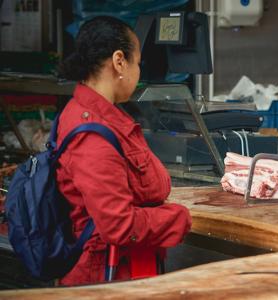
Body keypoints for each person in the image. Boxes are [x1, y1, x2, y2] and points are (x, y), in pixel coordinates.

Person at [56, 16, 191, 285]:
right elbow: (119, 225)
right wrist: (179, 217)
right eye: (137, 63)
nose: (138, 72)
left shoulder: (105, 117)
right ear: (119, 61)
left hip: (127, 268)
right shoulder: (92, 133)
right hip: (104, 277)